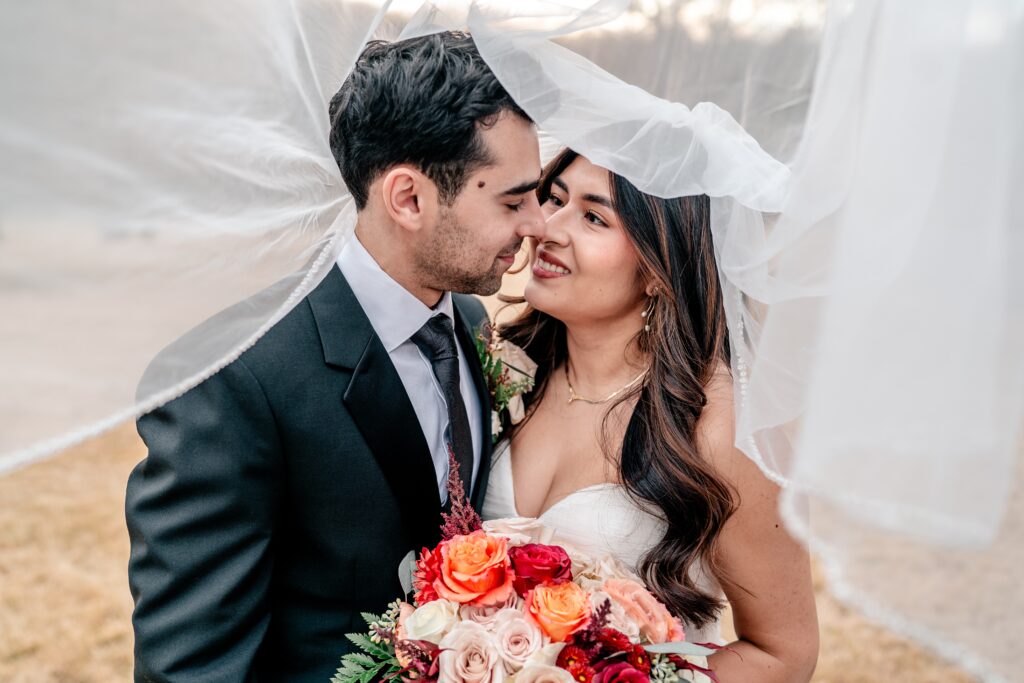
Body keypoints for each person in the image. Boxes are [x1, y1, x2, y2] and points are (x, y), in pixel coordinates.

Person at [125, 31, 545, 682]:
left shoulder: (466, 318)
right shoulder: (233, 375)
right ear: (408, 198)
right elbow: (192, 664)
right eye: (513, 200)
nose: (538, 223)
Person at [482, 149, 820, 681]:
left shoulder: (721, 424)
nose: (547, 227)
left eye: (594, 217)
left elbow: (785, 653)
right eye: (555, 199)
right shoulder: (505, 368)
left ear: (659, 272)